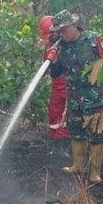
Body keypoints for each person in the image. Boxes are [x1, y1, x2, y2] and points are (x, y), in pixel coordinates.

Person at [48, 10, 103, 182]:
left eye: (64, 29)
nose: (61, 34)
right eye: (58, 31)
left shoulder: (94, 40)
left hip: (94, 96)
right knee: (75, 131)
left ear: (75, 25)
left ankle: (94, 172)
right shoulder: (60, 46)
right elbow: (55, 74)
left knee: (96, 134)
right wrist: (54, 62)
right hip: (73, 96)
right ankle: (78, 165)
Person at [39, 16, 69, 146]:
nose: (51, 37)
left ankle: (64, 143)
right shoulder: (49, 44)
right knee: (54, 112)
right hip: (57, 84)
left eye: (52, 34)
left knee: (67, 114)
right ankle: (57, 141)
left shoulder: (69, 43)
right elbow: (46, 63)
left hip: (70, 84)